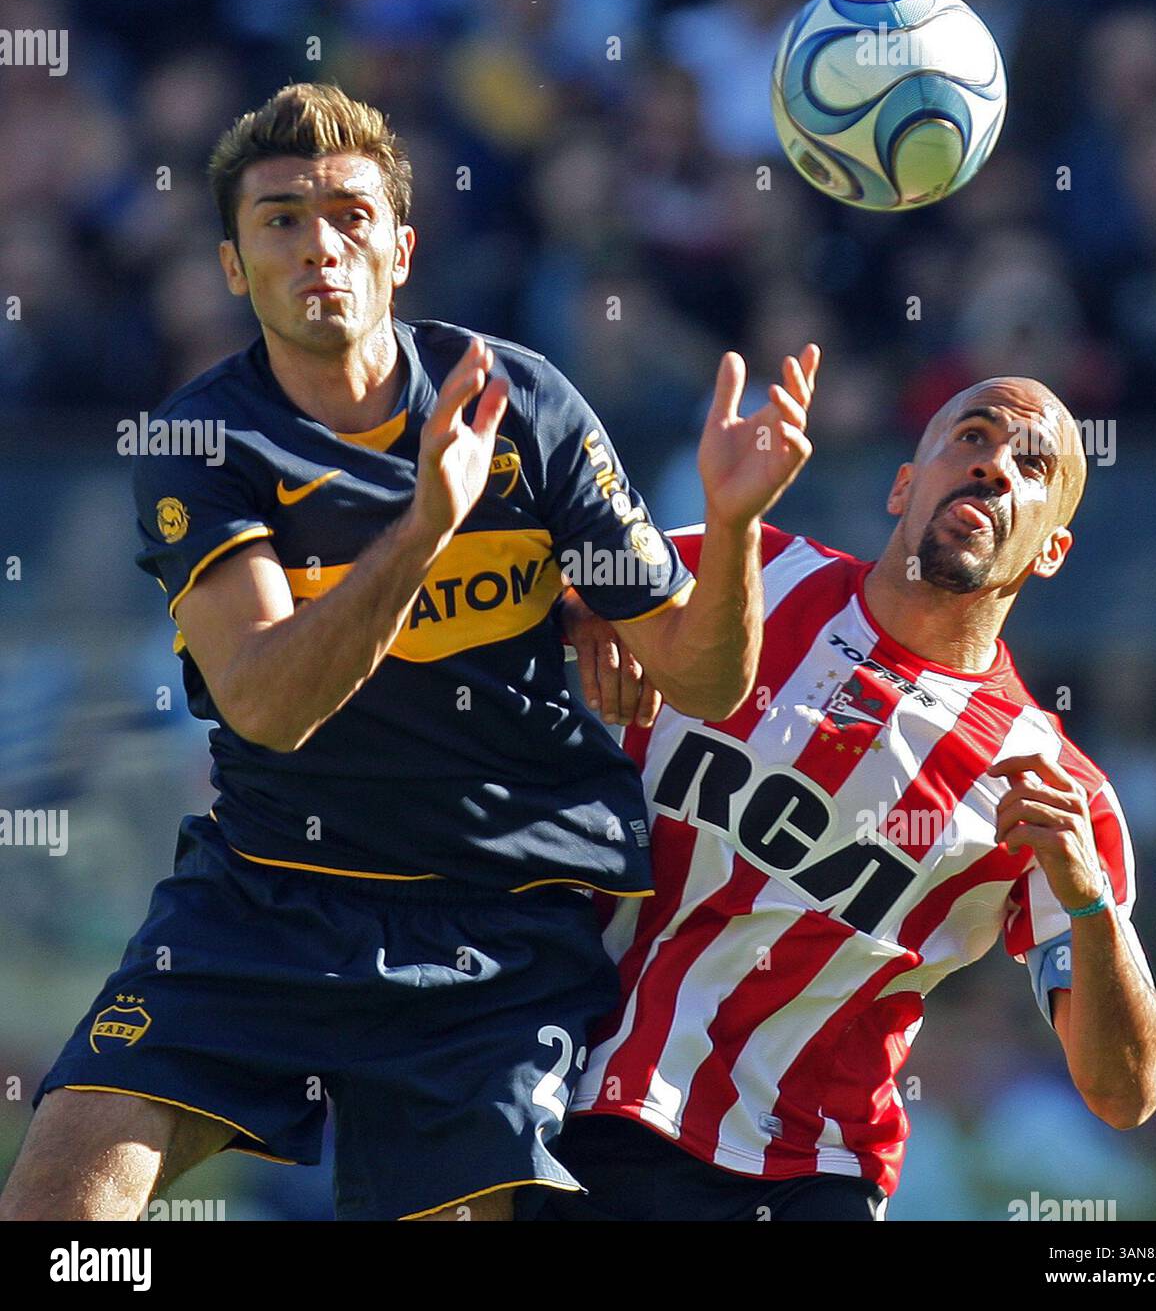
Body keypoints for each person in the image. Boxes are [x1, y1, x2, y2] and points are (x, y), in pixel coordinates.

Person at [0, 83, 819, 1222]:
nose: (318, 245)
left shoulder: (523, 404)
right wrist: (427, 526)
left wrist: (729, 529)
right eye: (280, 218)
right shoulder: (204, 441)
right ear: (234, 266)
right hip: (266, 900)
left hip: (496, 928)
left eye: (348, 213)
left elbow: (704, 675)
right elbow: (270, 703)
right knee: (57, 1209)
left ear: (401, 247)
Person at [547, 376, 1156, 1221]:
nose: (995, 467)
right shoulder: (739, 568)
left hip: (805, 1172)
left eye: (1033, 465)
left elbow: (1125, 1092)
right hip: (570, 1100)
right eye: (972, 437)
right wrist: (576, 613)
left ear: (1050, 552)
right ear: (902, 486)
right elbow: (511, 596)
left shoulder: (1058, 790)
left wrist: (1090, 903)